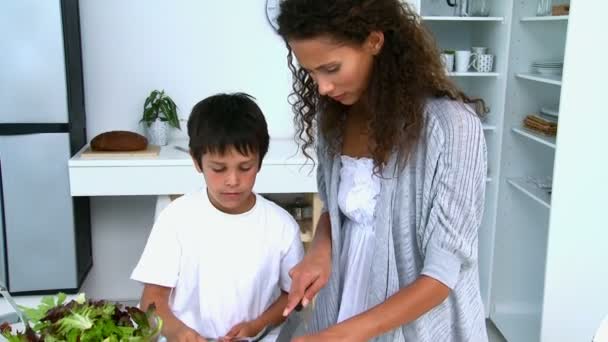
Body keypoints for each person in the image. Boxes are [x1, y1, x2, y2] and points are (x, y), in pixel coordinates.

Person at [276, 1, 489, 341]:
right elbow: (337, 210)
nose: (322, 88)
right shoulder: (334, 120)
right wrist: (319, 252)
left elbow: (442, 273)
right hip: (346, 304)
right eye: (311, 73)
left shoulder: (452, 127)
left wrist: (343, 335)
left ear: (374, 41)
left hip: (417, 323)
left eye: (331, 68)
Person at [131, 93, 305, 342]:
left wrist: (256, 326)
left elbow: (292, 297)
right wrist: (181, 333)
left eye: (245, 167)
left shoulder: (281, 226)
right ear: (196, 161)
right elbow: (152, 299)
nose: (232, 180)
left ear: (260, 161)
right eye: (218, 168)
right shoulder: (176, 219)